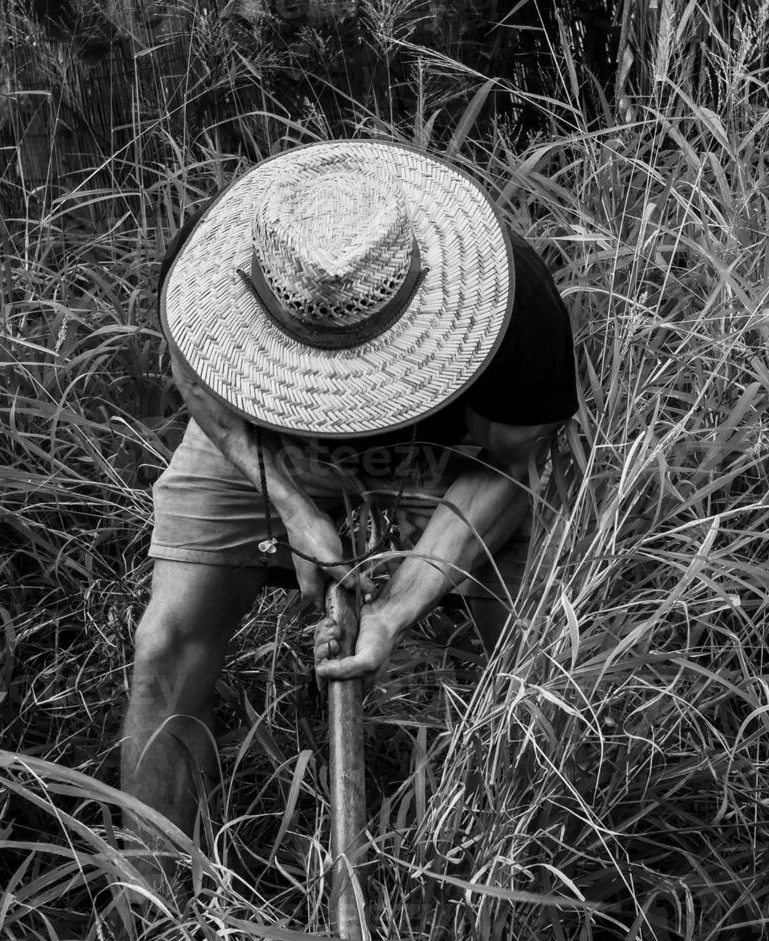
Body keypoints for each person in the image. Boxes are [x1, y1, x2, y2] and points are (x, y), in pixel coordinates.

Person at [120, 139, 578, 893]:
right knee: (163, 650)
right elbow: (196, 378)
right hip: (256, 436)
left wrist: (395, 610)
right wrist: (291, 508)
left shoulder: (512, 300)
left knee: (521, 664)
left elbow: (508, 460)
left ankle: (500, 886)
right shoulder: (211, 257)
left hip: (450, 449)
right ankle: (157, 920)